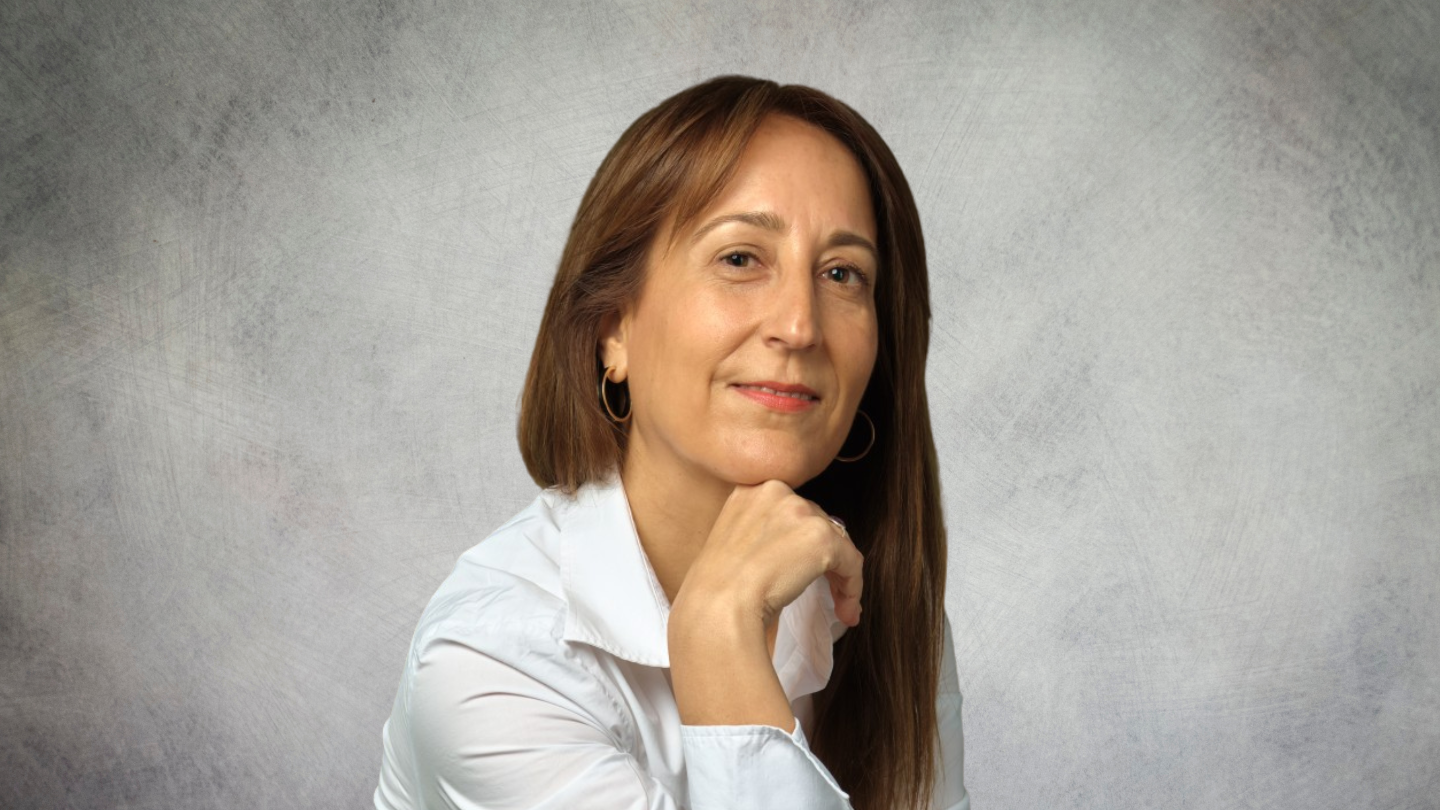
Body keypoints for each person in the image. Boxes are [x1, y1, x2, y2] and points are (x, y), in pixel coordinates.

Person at [374, 75, 968, 810]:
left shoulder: (881, 602)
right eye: (741, 259)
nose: (800, 325)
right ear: (612, 329)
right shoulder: (489, 662)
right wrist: (718, 635)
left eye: (842, 273)